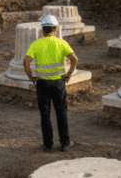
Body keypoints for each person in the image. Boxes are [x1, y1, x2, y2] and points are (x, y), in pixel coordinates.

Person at [22, 14, 79, 152]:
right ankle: (65, 143)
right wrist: (69, 75)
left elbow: (26, 61)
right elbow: (74, 59)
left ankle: (48, 145)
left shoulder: (36, 44)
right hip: (58, 83)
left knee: (45, 114)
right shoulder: (61, 43)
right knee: (61, 112)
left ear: (43, 29)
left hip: (42, 84)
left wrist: (31, 77)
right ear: (56, 29)